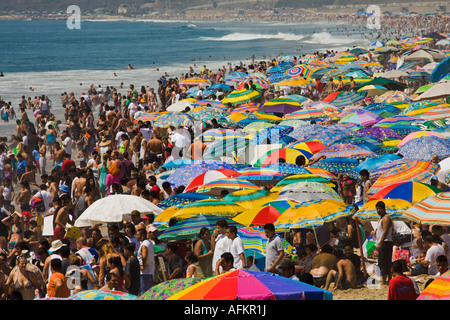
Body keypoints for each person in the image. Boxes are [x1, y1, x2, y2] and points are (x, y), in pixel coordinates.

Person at [374, 201, 394, 285]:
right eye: (377, 209)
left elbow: (385, 232)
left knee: (384, 262)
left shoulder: (386, 218)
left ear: (384, 208)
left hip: (385, 243)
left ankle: (385, 280)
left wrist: (380, 243)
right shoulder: (381, 218)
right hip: (384, 242)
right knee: (384, 262)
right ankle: (387, 279)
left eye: (380, 209)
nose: (378, 210)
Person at [136, 228, 155, 294]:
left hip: (144, 273)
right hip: (150, 271)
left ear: (143, 235)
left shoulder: (144, 245)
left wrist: (143, 266)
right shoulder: (149, 242)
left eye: (138, 235)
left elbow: (144, 256)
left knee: (144, 292)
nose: (136, 236)